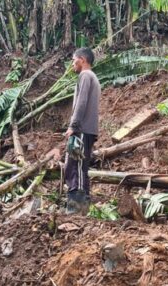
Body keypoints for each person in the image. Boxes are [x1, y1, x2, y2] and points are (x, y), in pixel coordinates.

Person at [64, 47, 100, 213]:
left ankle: (75, 209)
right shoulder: (93, 77)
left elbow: (81, 103)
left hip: (82, 129)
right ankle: (83, 209)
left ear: (83, 60)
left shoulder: (85, 76)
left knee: (75, 167)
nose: (73, 63)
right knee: (82, 168)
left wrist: (74, 125)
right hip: (88, 130)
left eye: (74, 59)